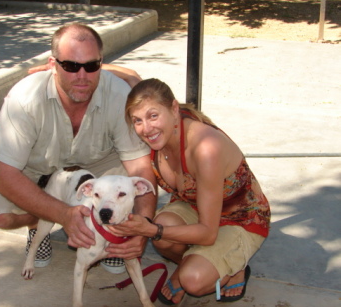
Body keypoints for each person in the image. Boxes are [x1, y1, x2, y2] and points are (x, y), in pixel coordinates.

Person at [0, 23, 156, 274]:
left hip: (97, 164)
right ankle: (38, 226)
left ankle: (114, 231)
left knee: (130, 185)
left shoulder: (117, 93)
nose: (82, 76)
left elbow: (141, 167)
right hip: (37, 168)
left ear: (101, 64)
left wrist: (143, 228)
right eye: (71, 66)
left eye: (91, 66)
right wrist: (62, 214)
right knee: (2, 216)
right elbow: (5, 177)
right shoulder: (24, 98)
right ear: (53, 65)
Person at [109, 78, 271, 304]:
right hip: (194, 204)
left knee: (193, 280)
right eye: (137, 120)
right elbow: (127, 76)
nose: (146, 129)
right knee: (163, 238)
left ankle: (230, 266)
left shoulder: (205, 148)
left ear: (174, 108)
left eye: (153, 116)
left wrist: (151, 229)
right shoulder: (159, 128)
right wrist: (53, 67)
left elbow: (207, 232)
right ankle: (202, 259)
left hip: (241, 217)